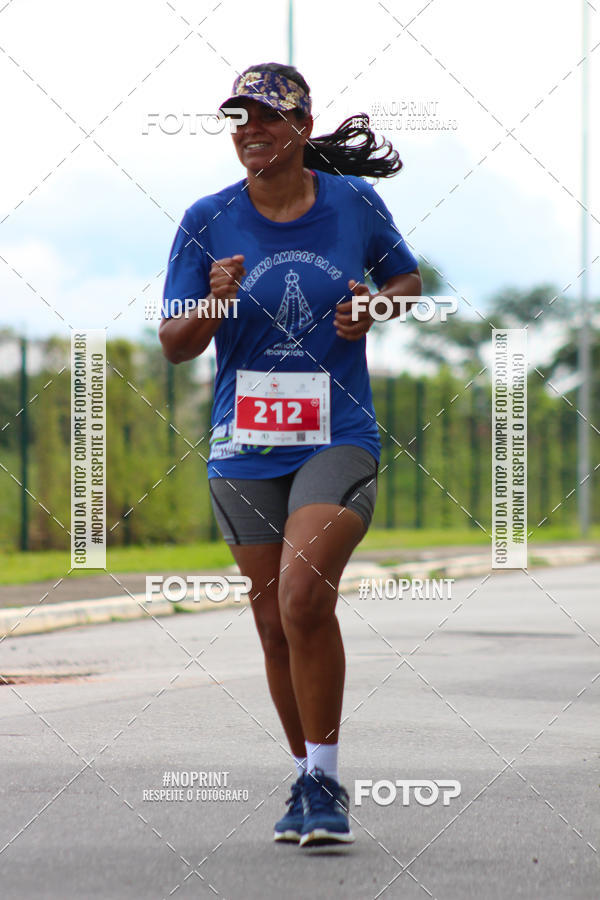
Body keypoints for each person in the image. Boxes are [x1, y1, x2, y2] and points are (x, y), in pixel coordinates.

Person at [159, 62, 421, 847]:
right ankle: (307, 777)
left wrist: (375, 306)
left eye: (267, 118)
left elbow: (406, 279)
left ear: (302, 129)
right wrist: (212, 301)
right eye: (239, 119)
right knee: (274, 621)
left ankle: (327, 780)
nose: (250, 131)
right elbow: (175, 344)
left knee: (305, 596)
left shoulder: (353, 204)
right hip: (243, 449)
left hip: (337, 436)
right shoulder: (208, 219)